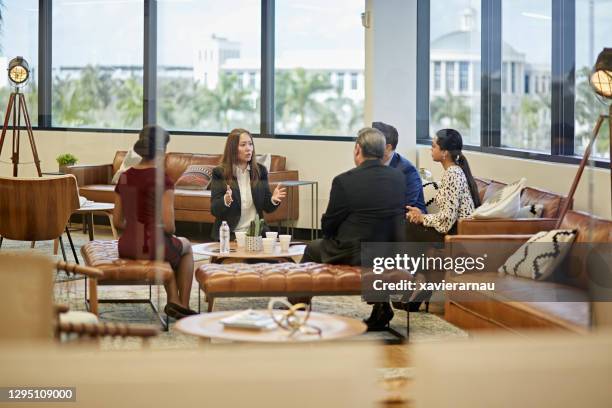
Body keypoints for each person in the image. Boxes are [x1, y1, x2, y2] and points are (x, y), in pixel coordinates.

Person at [299, 128, 406, 330]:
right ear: (383, 151)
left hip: (355, 254)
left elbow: (330, 223)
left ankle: (297, 307)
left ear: (358, 150)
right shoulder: (398, 178)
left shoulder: (344, 181)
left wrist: (332, 238)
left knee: (312, 248)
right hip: (388, 253)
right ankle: (381, 307)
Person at [113, 125, 196, 320]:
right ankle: (182, 305)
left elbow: (117, 221)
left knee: (168, 248)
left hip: (126, 246)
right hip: (152, 245)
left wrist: (136, 228)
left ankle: (173, 300)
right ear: (161, 150)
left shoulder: (124, 176)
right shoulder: (163, 179)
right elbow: (169, 226)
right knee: (185, 247)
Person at [403, 128, 481, 311]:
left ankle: (417, 280)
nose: (431, 150)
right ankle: (419, 279)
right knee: (410, 224)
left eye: (433, 146)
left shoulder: (453, 174)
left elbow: (447, 220)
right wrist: (420, 217)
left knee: (407, 227)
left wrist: (422, 218)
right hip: (451, 229)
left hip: (456, 235)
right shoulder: (454, 171)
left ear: (444, 152)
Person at [210, 128, 286, 240]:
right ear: (232, 149)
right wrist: (225, 200)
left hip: (257, 234)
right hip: (231, 235)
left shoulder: (260, 171)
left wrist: (273, 200)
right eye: (243, 145)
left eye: (250, 144)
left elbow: (267, 207)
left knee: (276, 257)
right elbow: (214, 210)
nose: (248, 148)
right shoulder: (220, 173)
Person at [373, 121, 426, 213]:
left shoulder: (408, 171)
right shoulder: (372, 165)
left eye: (373, 144)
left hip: (409, 222)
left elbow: (404, 206)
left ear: (387, 147)